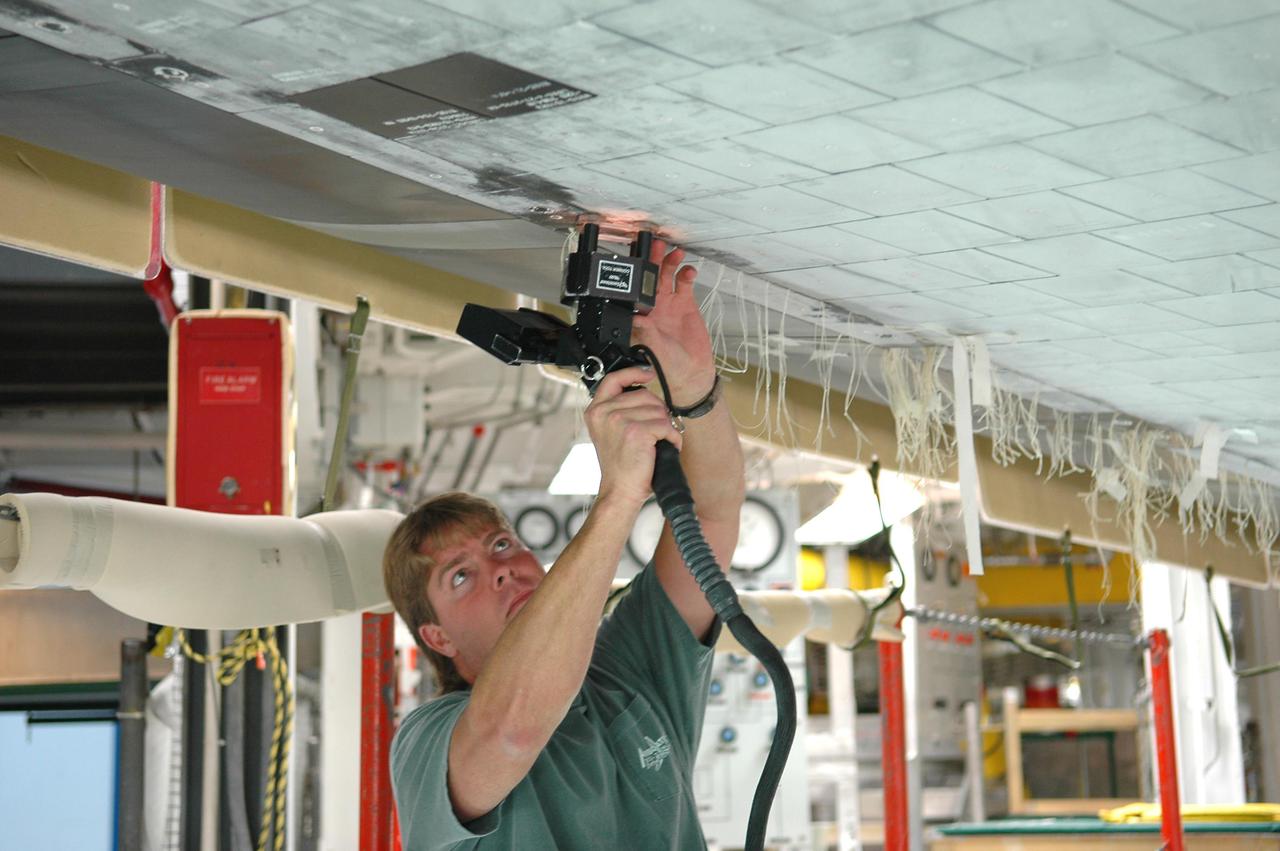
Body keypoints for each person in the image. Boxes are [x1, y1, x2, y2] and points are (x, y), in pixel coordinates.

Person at [382, 239, 746, 850]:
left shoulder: (626, 671)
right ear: (437, 639)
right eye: (460, 577)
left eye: (500, 546)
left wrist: (694, 388)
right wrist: (617, 500)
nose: (499, 570)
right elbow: (510, 734)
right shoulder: (427, 740)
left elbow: (710, 517)